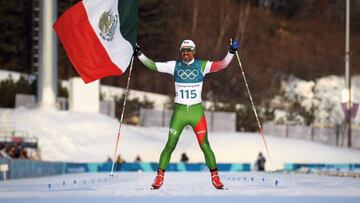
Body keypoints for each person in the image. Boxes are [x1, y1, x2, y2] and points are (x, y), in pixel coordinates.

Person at [134, 38, 239, 189]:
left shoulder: (202, 65)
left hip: (196, 113)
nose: (185, 53)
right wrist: (139, 54)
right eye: (183, 51)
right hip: (180, 113)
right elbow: (153, 65)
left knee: (205, 145)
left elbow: (223, 64)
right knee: (170, 146)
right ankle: (159, 178)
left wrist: (231, 52)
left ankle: (215, 177)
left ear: (194, 51)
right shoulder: (174, 66)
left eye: (188, 50)